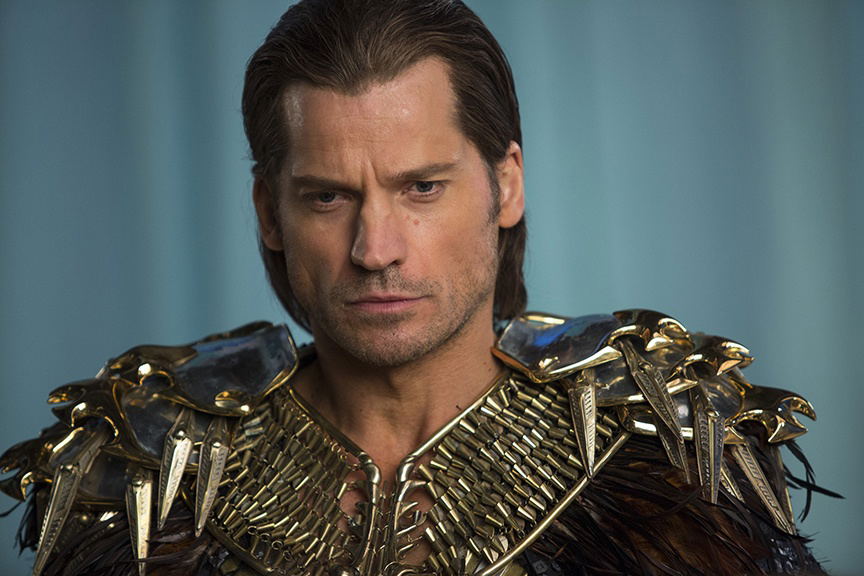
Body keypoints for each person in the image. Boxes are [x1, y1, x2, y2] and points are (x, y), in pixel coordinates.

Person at [0, 1, 829, 575]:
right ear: (268, 212)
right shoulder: (149, 467)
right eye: (328, 197)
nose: (376, 249)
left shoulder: (662, 459)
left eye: (422, 188)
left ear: (507, 184)